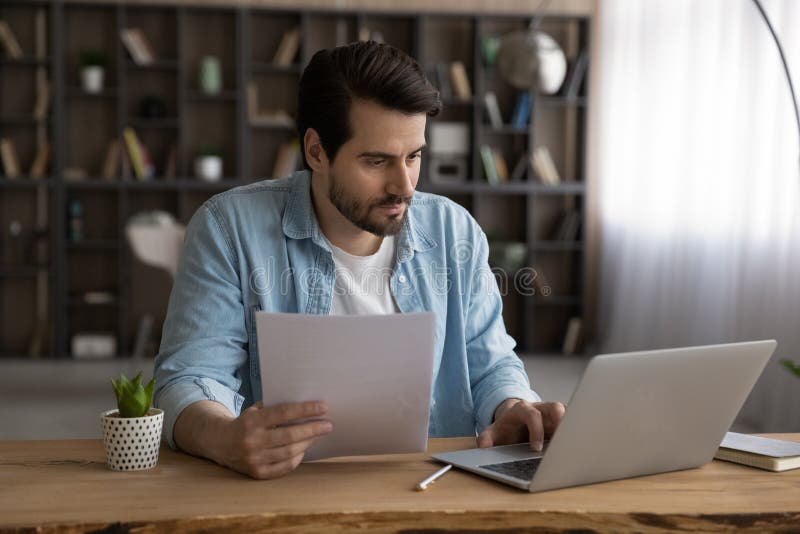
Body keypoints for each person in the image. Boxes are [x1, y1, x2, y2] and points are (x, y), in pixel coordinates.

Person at [154, 40, 565, 480]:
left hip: (429, 486)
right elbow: (188, 378)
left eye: (414, 156)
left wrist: (514, 406)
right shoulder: (228, 227)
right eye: (377, 161)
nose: (404, 185)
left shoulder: (453, 230)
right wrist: (224, 438)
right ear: (316, 152)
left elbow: (491, 363)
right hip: (284, 488)